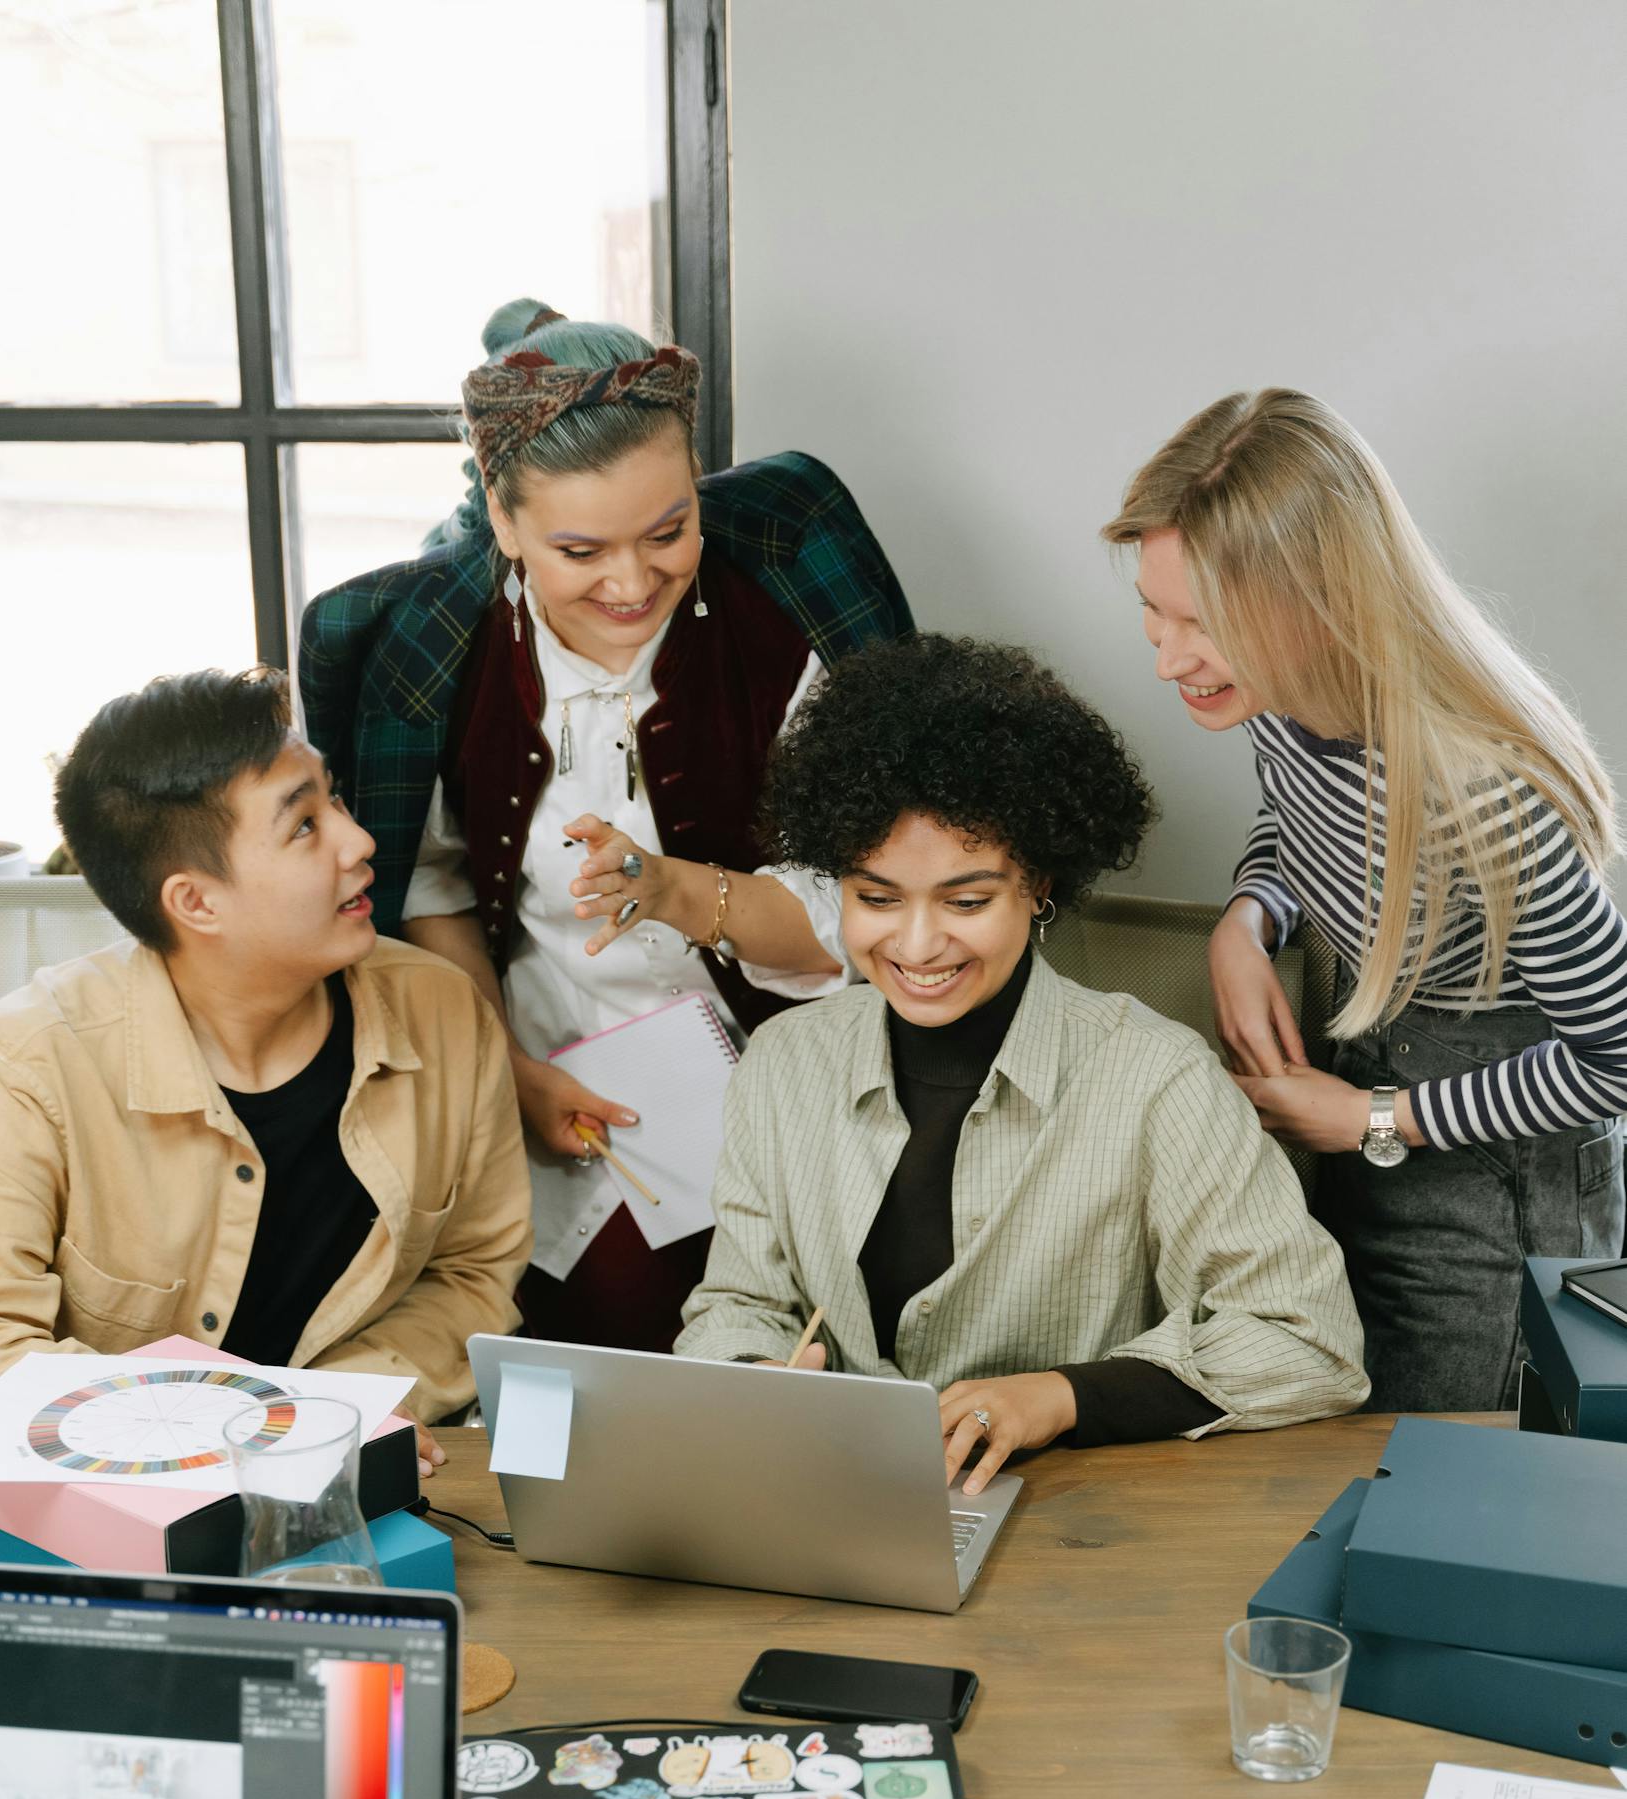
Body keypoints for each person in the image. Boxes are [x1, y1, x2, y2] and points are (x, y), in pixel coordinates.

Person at [302, 298, 910, 1352]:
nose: (632, 583)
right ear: (501, 519)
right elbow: (432, 888)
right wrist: (505, 1071)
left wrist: (676, 891)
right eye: (580, 549)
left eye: (669, 531)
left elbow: (865, 911)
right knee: (562, 1379)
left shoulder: (786, 626)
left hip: (778, 1078)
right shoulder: (436, 653)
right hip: (533, 1069)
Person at [675, 634, 1367, 1482]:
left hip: (1075, 1534)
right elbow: (737, 1305)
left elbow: (1309, 1340)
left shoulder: (1157, 1080)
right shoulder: (782, 1063)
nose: (918, 944)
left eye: (966, 900)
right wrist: (753, 1379)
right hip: (829, 1506)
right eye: (875, 898)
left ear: (1037, 884)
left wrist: (1062, 1397)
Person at [1103, 389, 1626, 1410]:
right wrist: (1247, 921)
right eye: (1152, 614)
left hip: (1497, 1178)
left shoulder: (1485, 796)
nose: (1167, 660)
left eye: (1200, 625)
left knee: (1448, 1474)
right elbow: (1301, 825)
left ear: (1321, 601)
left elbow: (1616, 1057)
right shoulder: (1275, 697)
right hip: (1370, 1100)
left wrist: (1374, 1118)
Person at [0, 669, 532, 1437]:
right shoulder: (27, 1063)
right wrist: (247, 1430)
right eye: (304, 826)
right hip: (117, 1503)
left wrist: (331, 1415)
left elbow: (472, 1276)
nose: (359, 840)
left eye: (331, 797)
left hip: (364, 1472)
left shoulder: (442, 1012)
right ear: (195, 902)